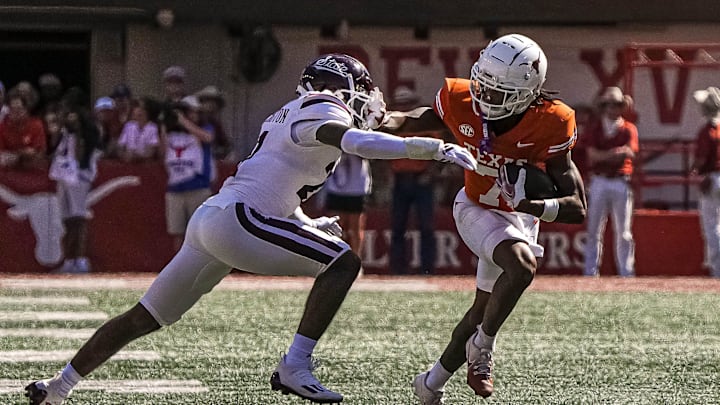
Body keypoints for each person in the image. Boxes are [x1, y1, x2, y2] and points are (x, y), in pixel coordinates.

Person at [25, 53, 476, 405]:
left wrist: (303, 221)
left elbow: (278, 180)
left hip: (217, 219)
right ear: (340, 87)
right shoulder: (322, 107)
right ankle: (295, 366)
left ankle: (58, 386)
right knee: (343, 262)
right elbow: (357, 142)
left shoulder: (290, 112)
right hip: (239, 221)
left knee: (144, 317)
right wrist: (431, 150)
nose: (367, 99)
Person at [376, 34, 586, 402]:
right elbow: (417, 118)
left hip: (519, 218)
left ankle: (431, 383)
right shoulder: (460, 100)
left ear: (527, 93)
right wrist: (382, 119)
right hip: (475, 206)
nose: (484, 98)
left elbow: (577, 205)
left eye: (497, 92)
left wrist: (534, 206)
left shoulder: (553, 121)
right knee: (521, 267)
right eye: (483, 86)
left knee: (481, 310)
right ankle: (484, 346)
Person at [583, 86, 639, 278]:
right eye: (608, 104)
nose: (612, 108)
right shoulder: (595, 128)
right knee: (593, 229)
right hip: (599, 181)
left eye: (616, 104)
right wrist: (614, 154)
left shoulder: (628, 128)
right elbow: (592, 157)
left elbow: (629, 153)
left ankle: (626, 272)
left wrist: (605, 156)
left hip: (620, 181)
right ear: (603, 106)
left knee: (624, 232)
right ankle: (590, 272)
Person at [387, 86, 440, 275]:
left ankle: (427, 269)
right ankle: (397, 270)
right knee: (397, 226)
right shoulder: (391, 124)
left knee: (426, 225)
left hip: (421, 179)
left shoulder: (423, 123)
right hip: (400, 179)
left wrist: (431, 172)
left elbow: (439, 149)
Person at [49, 89, 101, 273]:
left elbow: (82, 154)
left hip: (78, 177)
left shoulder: (86, 130)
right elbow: (55, 149)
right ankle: (69, 258)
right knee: (66, 219)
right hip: (63, 176)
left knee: (78, 218)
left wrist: (77, 130)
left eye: (68, 112)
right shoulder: (64, 131)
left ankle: (80, 258)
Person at [160, 95, 215, 253]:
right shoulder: (171, 134)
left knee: (200, 231)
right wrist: (165, 124)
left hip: (198, 186)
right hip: (175, 188)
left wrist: (183, 121)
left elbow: (208, 138)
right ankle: (179, 267)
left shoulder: (206, 128)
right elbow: (162, 151)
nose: (191, 115)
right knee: (177, 232)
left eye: (191, 111)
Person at [690, 86, 720, 278]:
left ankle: (717, 270)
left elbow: (701, 161)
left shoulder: (707, 131)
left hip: (712, 178)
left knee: (712, 227)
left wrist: (695, 172)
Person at [323, 151, 372, 255]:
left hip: (356, 188)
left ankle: (355, 260)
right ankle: (335, 259)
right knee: (335, 227)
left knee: (355, 227)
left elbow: (368, 153)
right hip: (335, 186)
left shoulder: (358, 136)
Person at [0, 91, 47, 170]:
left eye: (19, 109)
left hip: (32, 169)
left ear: (26, 109)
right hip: (9, 169)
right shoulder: (2, 127)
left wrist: (18, 155)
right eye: (12, 109)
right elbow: (1, 153)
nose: (16, 113)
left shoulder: (36, 125)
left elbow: (39, 153)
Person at [117, 97, 162, 163]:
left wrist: (136, 157)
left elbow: (151, 151)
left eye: (138, 107)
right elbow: (120, 146)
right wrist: (124, 155)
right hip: (127, 165)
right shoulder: (129, 125)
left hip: (144, 166)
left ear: (146, 111)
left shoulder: (153, 127)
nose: (134, 110)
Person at [196, 85, 232, 160]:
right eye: (208, 101)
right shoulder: (194, 121)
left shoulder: (215, 124)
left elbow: (226, 145)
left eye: (215, 102)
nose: (211, 105)